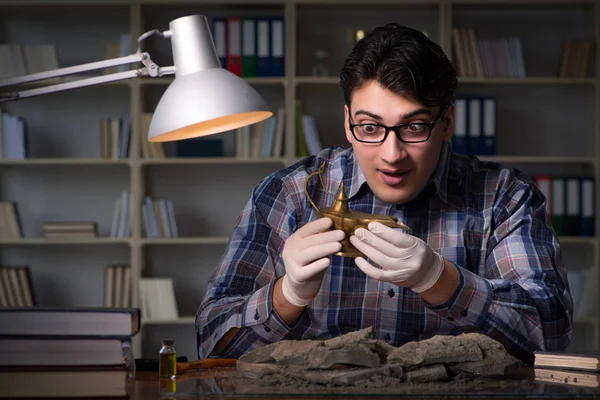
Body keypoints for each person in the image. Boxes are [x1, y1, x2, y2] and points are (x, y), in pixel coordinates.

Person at [195, 23, 573, 364]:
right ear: (347, 122)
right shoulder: (289, 194)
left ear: (448, 124)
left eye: (414, 127)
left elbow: (552, 334)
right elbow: (211, 341)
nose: (392, 155)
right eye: (370, 127)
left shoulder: (504, 197)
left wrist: (440, 280)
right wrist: (287, 296)